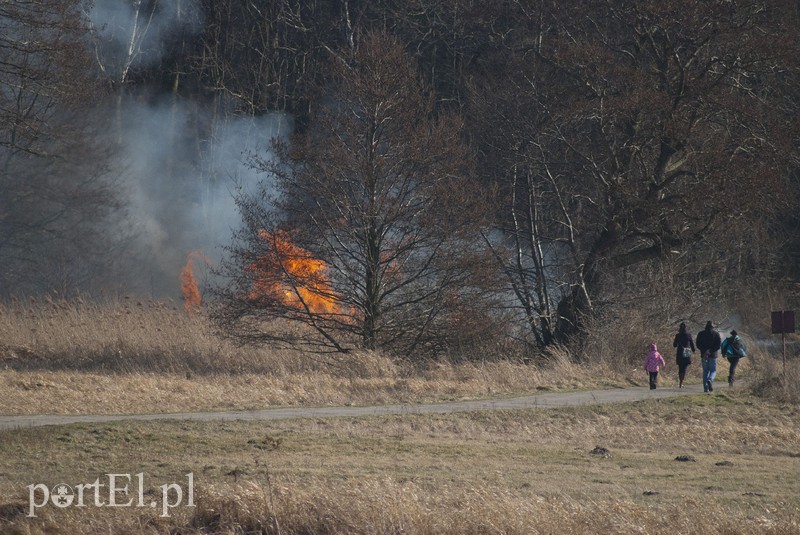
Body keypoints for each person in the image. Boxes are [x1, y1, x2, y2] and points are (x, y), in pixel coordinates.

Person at [696, 320, 722, 392]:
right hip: (713, 355)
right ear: (712, 326)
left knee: (705, 371)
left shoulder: (701, 334)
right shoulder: (716, 334)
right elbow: (718, 345)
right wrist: (710, 351)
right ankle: (710, 380)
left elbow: (698, 344)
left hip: (704, 355)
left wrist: (705, 351)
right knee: (713, 371)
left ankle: (705, 388)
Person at [672, 322, 696, 388]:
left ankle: (680, 382)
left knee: (680, 367)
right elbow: (692, 344)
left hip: (680, 351)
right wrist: (693, 350)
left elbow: (674, 345)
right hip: (687, 350)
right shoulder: (688, 335)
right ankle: (681, 382)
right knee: (685, 367)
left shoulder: (678, 335)